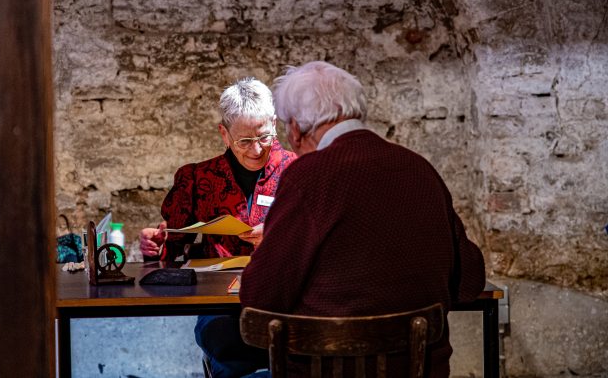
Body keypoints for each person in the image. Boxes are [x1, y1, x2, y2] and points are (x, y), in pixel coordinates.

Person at [240, 61, 486, 378]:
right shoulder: (418, 168)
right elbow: (469, 281)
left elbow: (259, 298)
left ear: (297, 129)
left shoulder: (308, 178)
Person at [140, 77, 296, 378]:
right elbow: (172, 249)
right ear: (224, 134)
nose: (256, 150)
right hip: (221, 305)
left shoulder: (299, 171)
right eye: (244, 141)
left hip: (283, 300)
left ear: (274, 124)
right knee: (227, 340)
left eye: (264, 137)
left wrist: (278, 234)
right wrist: (156, 244)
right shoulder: (198, 179)